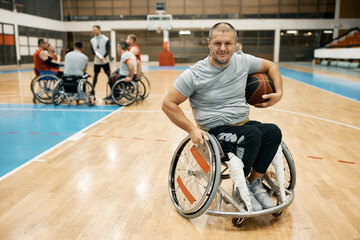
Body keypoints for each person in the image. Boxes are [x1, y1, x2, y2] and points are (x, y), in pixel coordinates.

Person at [162, 22, 283, 211]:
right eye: (217, 43)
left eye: (228, 43)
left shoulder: (243, 61)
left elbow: (271, 66)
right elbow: (168, 104)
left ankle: (254, 184)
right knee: (251, 135)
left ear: (236, 44)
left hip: (243, 125)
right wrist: (192, 129)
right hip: (215, 133)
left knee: (273, 132)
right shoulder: (194, 74)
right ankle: (240, 188)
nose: (223, 48)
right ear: (208, 43)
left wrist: (279, 93)